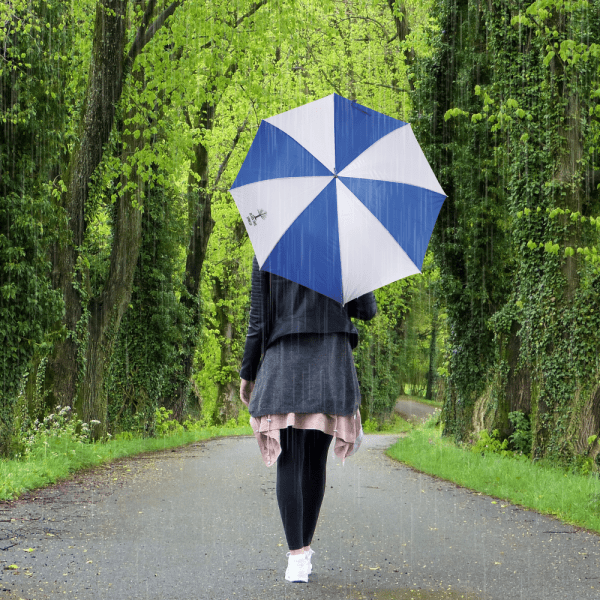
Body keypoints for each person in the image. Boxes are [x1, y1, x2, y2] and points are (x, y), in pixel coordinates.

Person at [239, 255, 377, 583]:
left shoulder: (271, 243)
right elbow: (367, 310)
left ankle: (296, 557)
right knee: (315, 460)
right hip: (331, 357)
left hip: (285, 357)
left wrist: (248, 370)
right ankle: (304, 553)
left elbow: (259, 317)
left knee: (291, 458)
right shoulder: (345, 246)